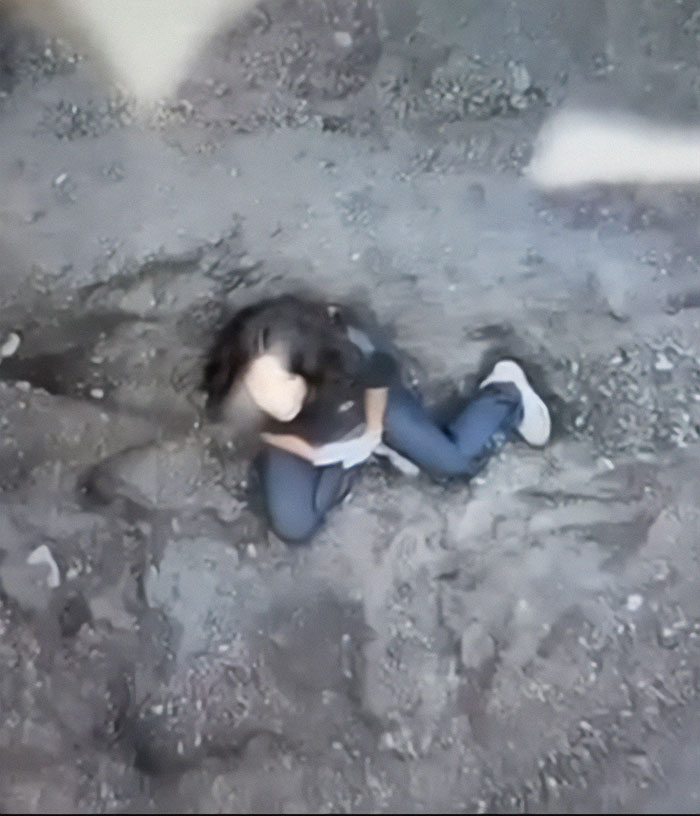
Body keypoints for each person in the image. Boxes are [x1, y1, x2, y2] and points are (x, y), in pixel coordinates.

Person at [203, 294, 551, 543]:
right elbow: (251, 431)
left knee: (455, 465)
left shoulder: (342, 353)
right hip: (310, 430)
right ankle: (357, 457)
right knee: (295, 526)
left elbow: (380, 373)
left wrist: (371, 428)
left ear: (304, 368)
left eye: (286, 381)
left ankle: (506, 393)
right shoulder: (235, 394)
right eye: (261, 389)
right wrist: (311, 451)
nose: (277, 401)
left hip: (360, 400)